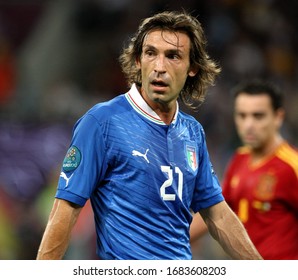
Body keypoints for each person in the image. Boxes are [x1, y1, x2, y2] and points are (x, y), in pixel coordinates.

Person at [36, 11, 262, 260]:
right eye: (151, 53)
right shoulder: (102, 122)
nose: (159, 67)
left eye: (173, 56)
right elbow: (66, 208)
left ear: (193, 68)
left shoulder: (192, 132)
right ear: (137, 61)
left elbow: (217, 213)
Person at [190, 79, 298, 259]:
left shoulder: (291, 167)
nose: (248, 125)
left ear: (278, 117)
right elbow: (216, 212)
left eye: (258, 116)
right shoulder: (240, 159)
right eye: (242, 115)